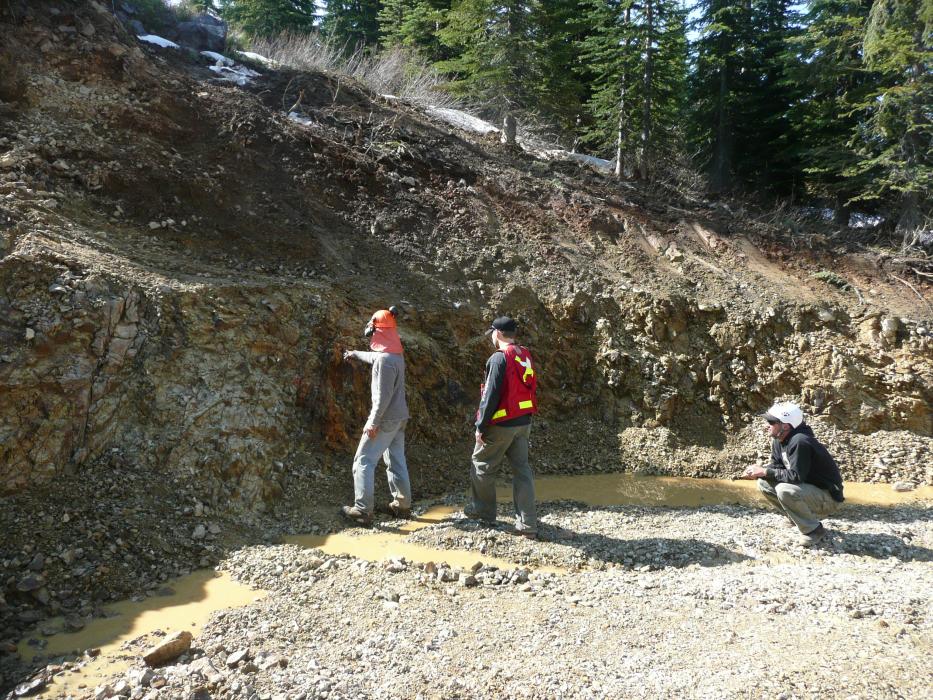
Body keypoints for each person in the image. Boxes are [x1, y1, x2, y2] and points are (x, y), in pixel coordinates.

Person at [467, 316, 539, 539]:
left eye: (491, 333)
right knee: (522, 471)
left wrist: (480, 425)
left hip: (502, 422)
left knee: (481, 464)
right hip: (523, 421)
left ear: (496, 333)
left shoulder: (499, 358)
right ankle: (527, 525)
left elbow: (490, 395)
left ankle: (483, 513)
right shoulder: (523, 353)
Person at [340, 306, 411, 525]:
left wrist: (372, 423)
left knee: (363, 460)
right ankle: (402, 506)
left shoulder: (385, 361)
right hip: (400, 419)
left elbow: (382, 397)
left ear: (377, 331)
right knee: (396, 460)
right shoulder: (395, 355)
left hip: (386, 419)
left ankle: (362, 510)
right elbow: (375, 357)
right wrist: (355, 354)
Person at [740, 401, 844, 546]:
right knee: (764, 483)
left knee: (785, 490)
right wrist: (759, 472)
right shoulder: (779, 440)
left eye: (771, 422)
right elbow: (777, 467)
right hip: (809, 490)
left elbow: (796, 476)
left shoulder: (800, 442)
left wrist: (764, 471)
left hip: (828, 498)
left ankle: (813, 530)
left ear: (786, 426)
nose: (766, 425)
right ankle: (796, 517)